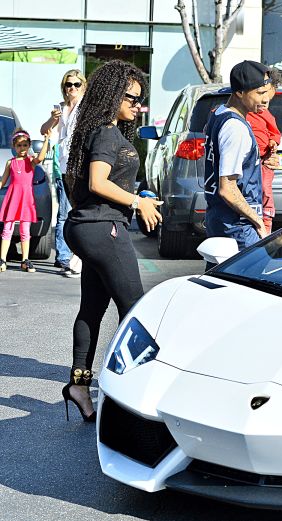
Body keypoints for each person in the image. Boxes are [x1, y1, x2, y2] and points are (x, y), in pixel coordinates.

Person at [61, 59, 162, 422]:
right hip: (104, 228)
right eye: (132, 98)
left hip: (90, 226)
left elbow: (76, 183)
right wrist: (138, 201)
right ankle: (132, 397)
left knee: (93, 307)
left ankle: (78, 385)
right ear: (112, 96)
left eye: (140, 100)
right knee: (136, 310)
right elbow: (96, 183)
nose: (137, 106)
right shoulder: (105, 133)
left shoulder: (100, 131)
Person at [204, 60, 270, 262]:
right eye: (259, 93)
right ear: (239, 92)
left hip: (221, 218)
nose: (266, 99)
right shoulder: (235, 127)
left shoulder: (219, 114)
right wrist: (258, 223)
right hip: (237, 226)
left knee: (219, 284)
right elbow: (228, 188)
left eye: (267, 92)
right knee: (247, 287)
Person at [40, 69, 87, 277]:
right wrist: (52, 120)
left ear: (83, 86)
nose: (72, 89)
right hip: (63, 166)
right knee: (63, 213)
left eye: (77, 84)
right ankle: (64, 257)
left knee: (77, 212)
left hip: (80, 167)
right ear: (64, 87)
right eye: (69, 85)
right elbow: (44, 131)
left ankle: (77, 257)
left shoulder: (86, 107)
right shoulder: (59, 108)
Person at [0, 128, 51, 273]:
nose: (22, 148)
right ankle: (2, 260)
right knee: (7, 229)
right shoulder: (10, 163)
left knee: (25, 230)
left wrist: (47, 139)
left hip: (26, 200)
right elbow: (3, 182)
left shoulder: (31, 161)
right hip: (12, 198)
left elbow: (40, 157)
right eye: (19, 145)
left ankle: (25, 260)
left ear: (28, 146)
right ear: (14, 147)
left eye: (24, 145)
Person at [246, 67, 282, 234]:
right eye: (262, 94)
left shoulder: (265, 113)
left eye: (268, 96)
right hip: (249, 162)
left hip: (264, 161)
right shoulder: (235, 113)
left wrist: (273, 142)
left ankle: (266, 224)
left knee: (266, 192)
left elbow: (275, 133)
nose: (264, 101)